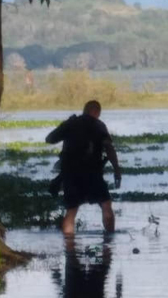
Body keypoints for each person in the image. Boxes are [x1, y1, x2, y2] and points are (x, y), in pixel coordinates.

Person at [46, 100, 122, 235]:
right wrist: (116, 169)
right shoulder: (99, 125)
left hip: (70, 174)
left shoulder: (71, 123)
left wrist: (65, 125)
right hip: (93, 174)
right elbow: (109, 147)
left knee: (71, 211)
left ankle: (69, 249)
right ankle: (110, 242)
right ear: (97, 112)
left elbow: (50, 139)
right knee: (106, 206)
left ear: (84, 110)